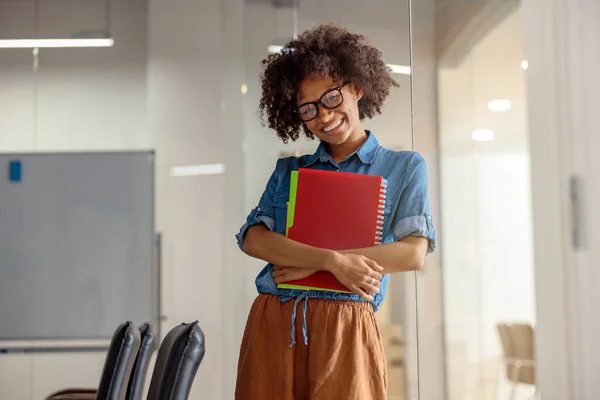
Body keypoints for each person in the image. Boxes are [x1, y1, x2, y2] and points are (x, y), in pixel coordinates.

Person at [234, 23, 436, 400]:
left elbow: (412, 252)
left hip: (347, 325)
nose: (323, 117)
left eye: (330, 98)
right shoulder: (289, 171)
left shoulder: (405, 167)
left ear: (355, 88)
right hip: (275, 320)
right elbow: (252, 238)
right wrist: (330, 261)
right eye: (308, 109)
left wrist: (318, 265)